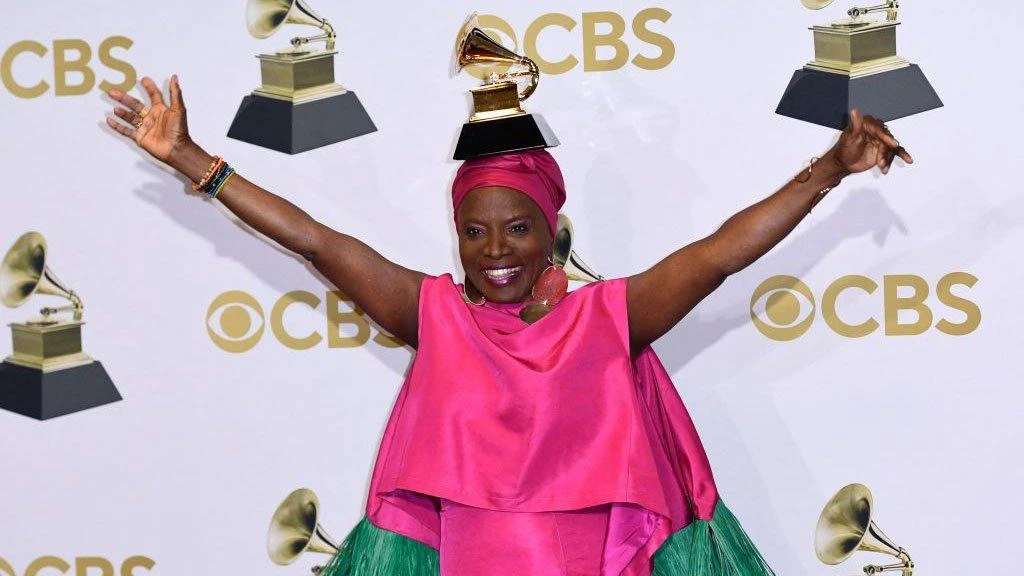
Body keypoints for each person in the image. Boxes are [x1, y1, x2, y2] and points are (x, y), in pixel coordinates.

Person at [106, 76, 911, 576]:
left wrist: (830, 170)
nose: (495, 251)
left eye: (517, 228)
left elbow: (719, 255)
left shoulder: (611, 318)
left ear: (550, 229)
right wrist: (192, 160)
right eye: (475, 231)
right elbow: (316, 240)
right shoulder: (431, 314)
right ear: (456, 234)